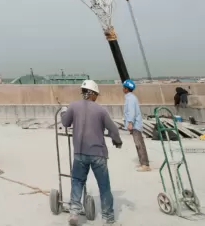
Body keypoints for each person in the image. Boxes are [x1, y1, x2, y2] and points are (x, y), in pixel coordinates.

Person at [61, 79, 123, 225]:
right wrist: (117, 141)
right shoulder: (101, 110)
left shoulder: (73, 106)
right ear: (92, 93)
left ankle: (74, 212)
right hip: (98, 154)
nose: (96, 97)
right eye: (96, 95)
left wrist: (64, 111)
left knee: (77, 182)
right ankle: (108, 218)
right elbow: (113, 129)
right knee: (104, 186)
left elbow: (65, 123)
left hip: (80, 153)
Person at [122, 79, 150, 172]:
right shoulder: (131, 97)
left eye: (124, 87)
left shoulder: (130, 98)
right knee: (138, 144)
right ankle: (142, 162)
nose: (123, 89)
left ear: (126, 89)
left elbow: (131, 112)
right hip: (135, 124)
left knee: (139, 144)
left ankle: (145, 164)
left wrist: (130, 123)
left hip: (135, 125)